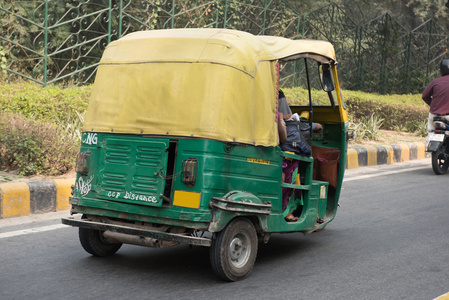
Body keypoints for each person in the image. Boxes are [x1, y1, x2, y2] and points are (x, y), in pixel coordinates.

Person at [278, 89, 322, 222]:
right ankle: (285, 211)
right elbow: (282, 128)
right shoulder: (276, 111)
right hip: (285, 153)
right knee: (288, 177)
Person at [422, 59, 449, 132]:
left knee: (430, 133)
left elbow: (424, 96)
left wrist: (434, 105)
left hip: (434, 116)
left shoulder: (435, 81)